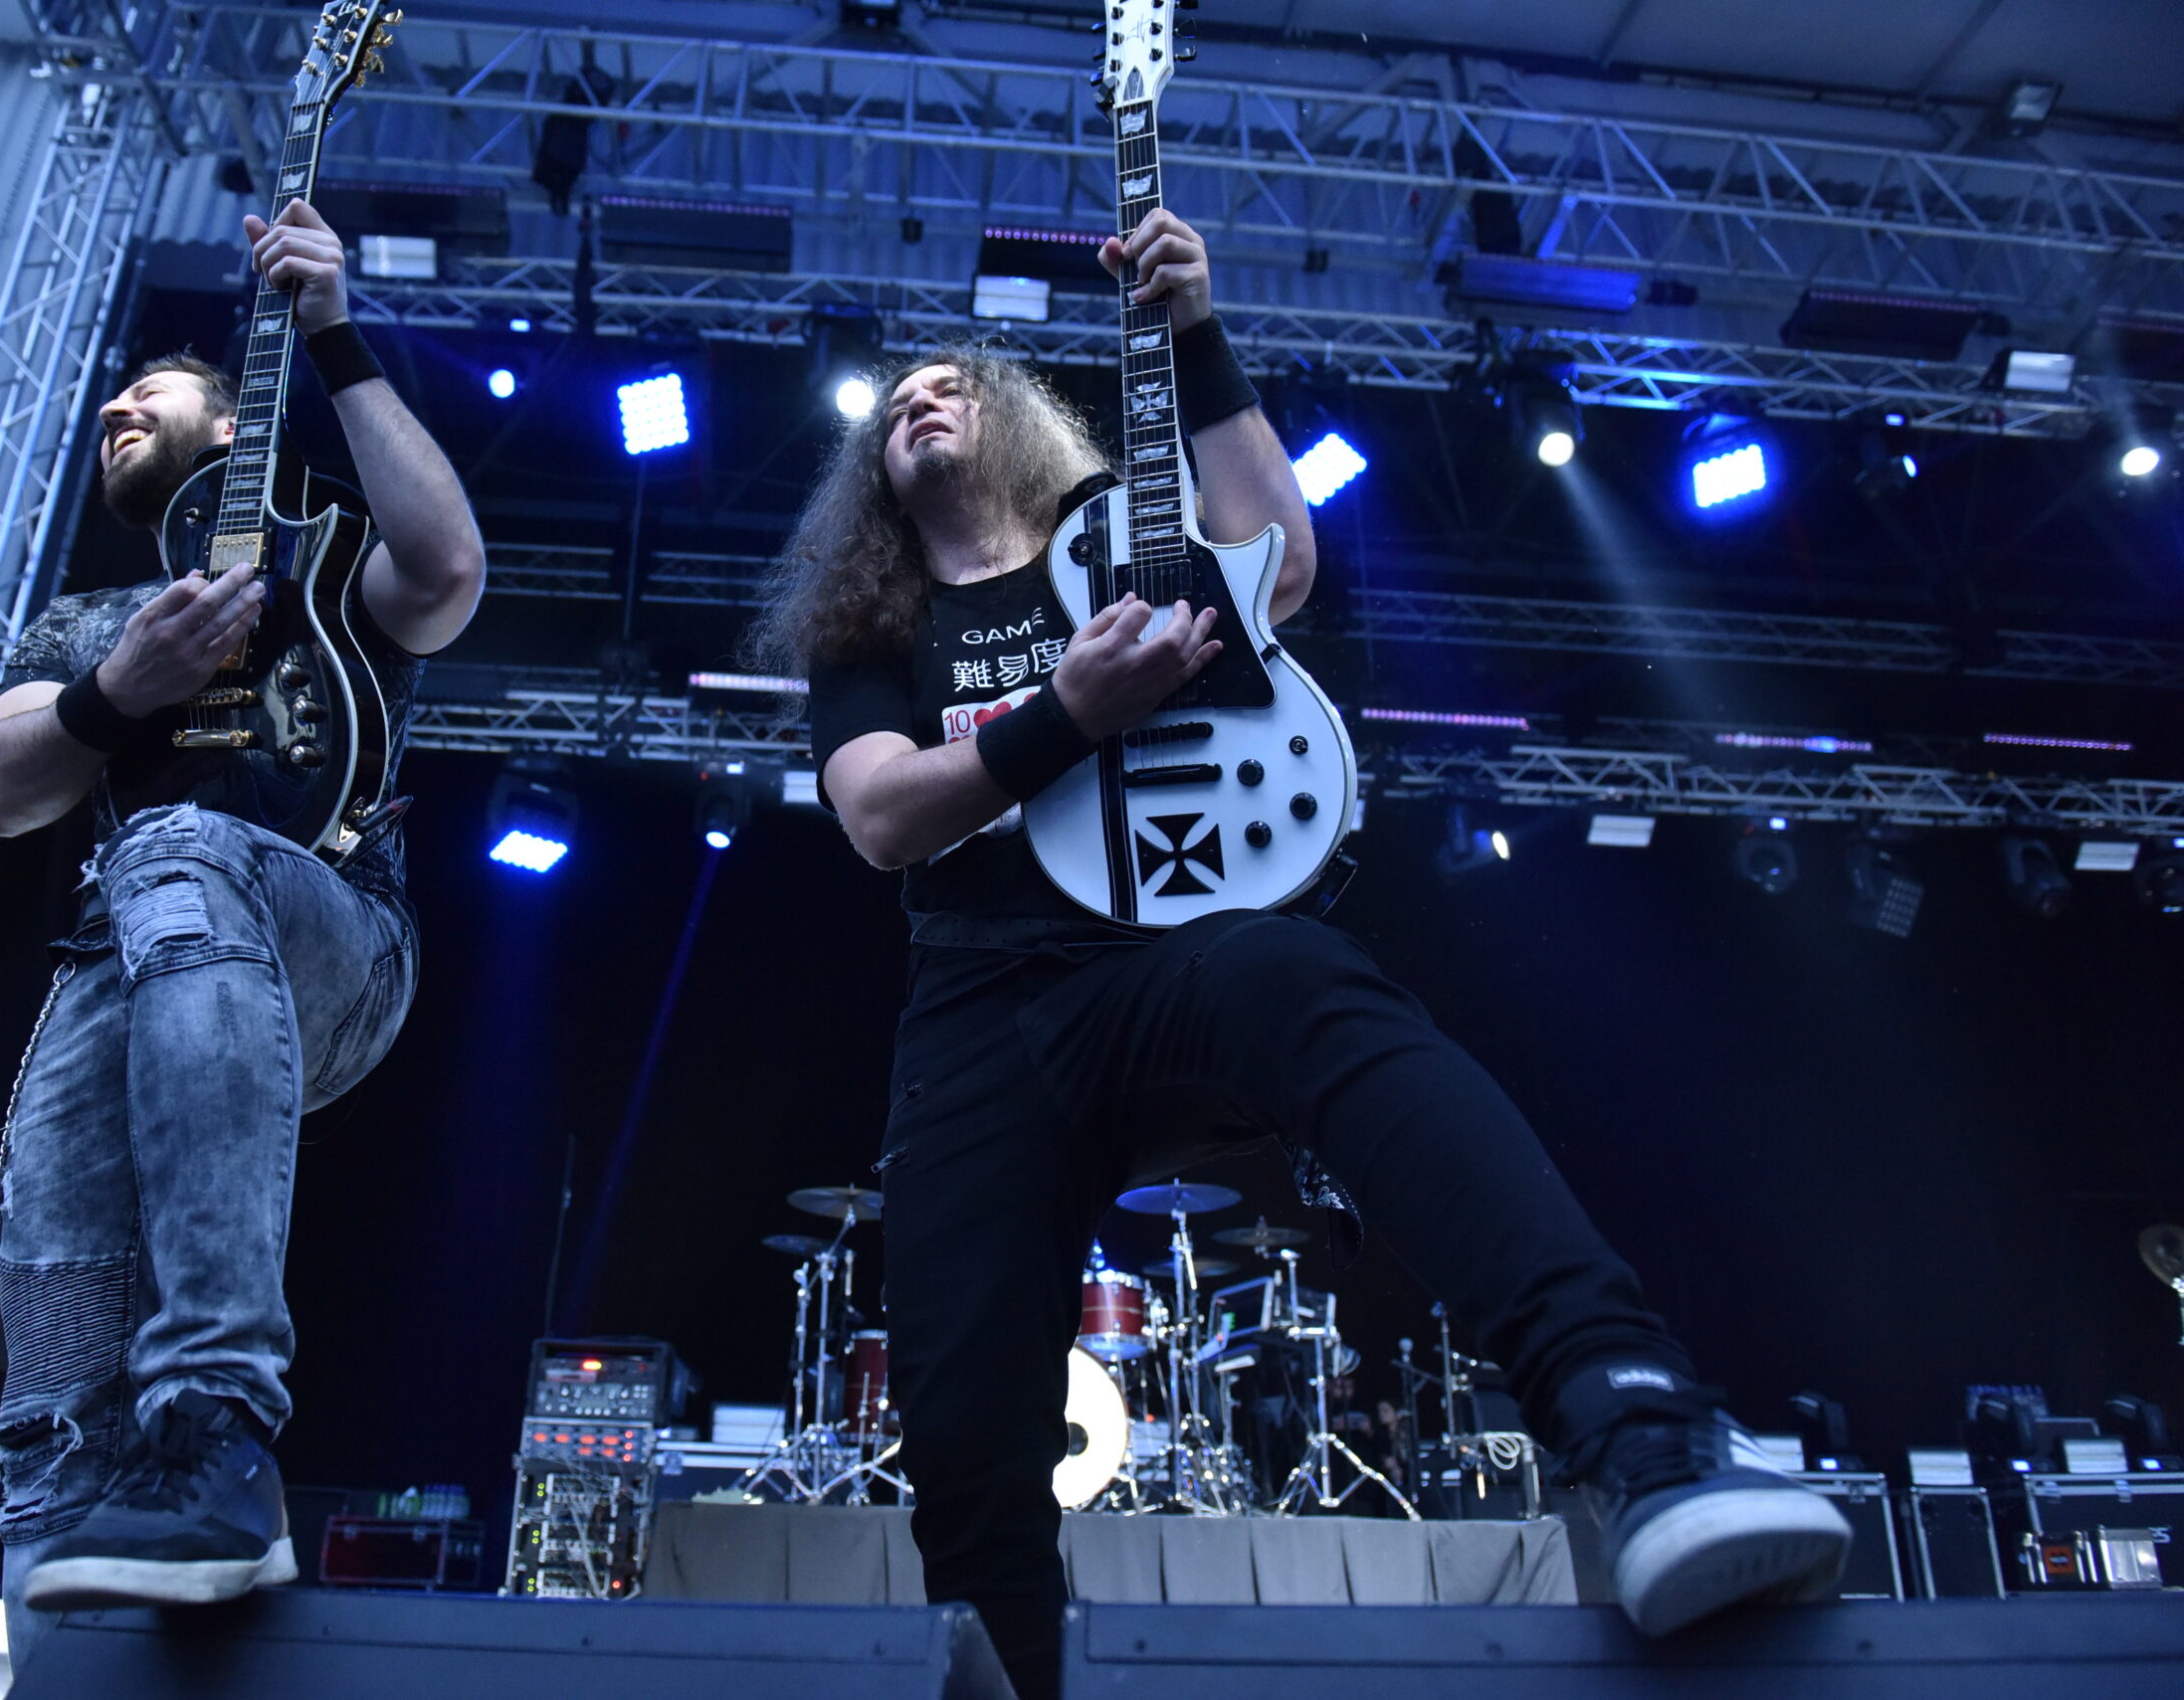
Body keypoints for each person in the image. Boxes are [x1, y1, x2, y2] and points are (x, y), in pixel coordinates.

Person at [749, 208, 1848, 1697]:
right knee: (966, 1447)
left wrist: (1196, 329)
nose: (918, 402)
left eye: (948, 385)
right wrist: (1068, 713)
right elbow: (880, 814)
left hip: (1151, 960)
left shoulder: (1113, 545)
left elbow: (1281, 565)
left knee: (1303, 978)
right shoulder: (874, 627)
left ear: (1009, 419)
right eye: (894, 406)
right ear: (871, 477)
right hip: (976, 1007)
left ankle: (1640, 1426)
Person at [0, 199, 484, 1668]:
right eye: (113, 401)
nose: (115, 407)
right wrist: (113, 692)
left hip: (336, 939)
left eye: (152, 391)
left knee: (179, 842)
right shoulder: (85, 621)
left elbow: (447, 570)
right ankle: (80, 1583)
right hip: (125, 975)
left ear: (237, 423)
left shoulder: (322, 569)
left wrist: (333, 326)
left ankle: (216, 1417)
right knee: (43, 1201)